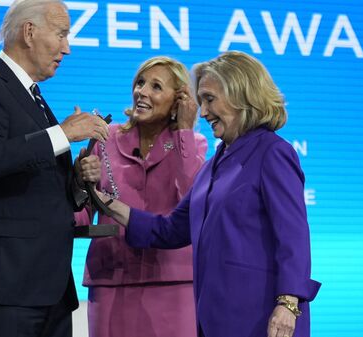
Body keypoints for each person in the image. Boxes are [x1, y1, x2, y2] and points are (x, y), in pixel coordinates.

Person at [95, 51, 321, 337]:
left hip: (263, 317)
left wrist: (289, 302)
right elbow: (171, 229)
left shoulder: (272, 152)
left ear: (241, 95)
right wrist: (107, 204)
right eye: (201, 101)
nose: (202, 112)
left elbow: (293, 235)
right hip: (215, 319)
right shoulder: (213, 166)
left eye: (210, 99)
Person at [0, 1, 109, 336]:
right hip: (5, 284)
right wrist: (63, 133)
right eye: (61, 34)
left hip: (47, 285)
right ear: (29, 32)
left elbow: (33, 180)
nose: (68, 47)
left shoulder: (32, 96)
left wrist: (75, 180)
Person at [74, 56, 207, 337]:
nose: (142, 92)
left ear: (178, 100)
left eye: (156, 87)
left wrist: (184, 128)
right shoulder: (103, 139)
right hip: (111, 280)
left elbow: (192, 198)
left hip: (173, 283)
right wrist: (77, 180)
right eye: (140, 83)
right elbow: (80, 217)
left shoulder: (193, 144)